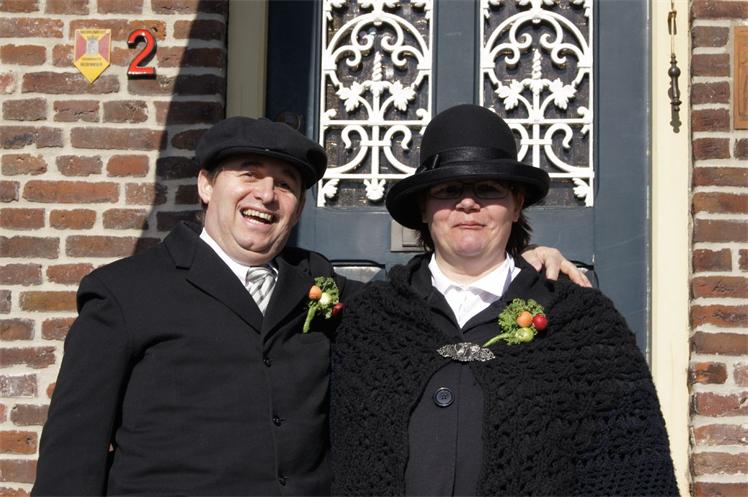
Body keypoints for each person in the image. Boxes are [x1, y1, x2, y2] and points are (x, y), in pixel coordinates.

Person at [32, 116, 589, 496]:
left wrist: (521, 263)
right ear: (205, 185)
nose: (266, 194)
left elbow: (436, 301)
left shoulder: (323, 288)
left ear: (298, 206)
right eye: (248, 175)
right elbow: (72, 455)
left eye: (286, 184)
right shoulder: (125, 293)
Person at [330, 104, 678, 496]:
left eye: (488, 189)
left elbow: (632, 473)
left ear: (516, 205)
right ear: (424, 209)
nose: (468, 203)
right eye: (448, 190)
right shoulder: (370, 319)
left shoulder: (581, 320)